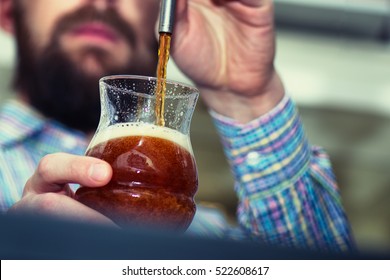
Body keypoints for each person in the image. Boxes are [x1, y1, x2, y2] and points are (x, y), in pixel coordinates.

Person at [0, 0, 353, 252]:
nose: (104, 2)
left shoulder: (203, 231)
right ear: (7, 11)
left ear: (162, 17)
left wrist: (246, 96)